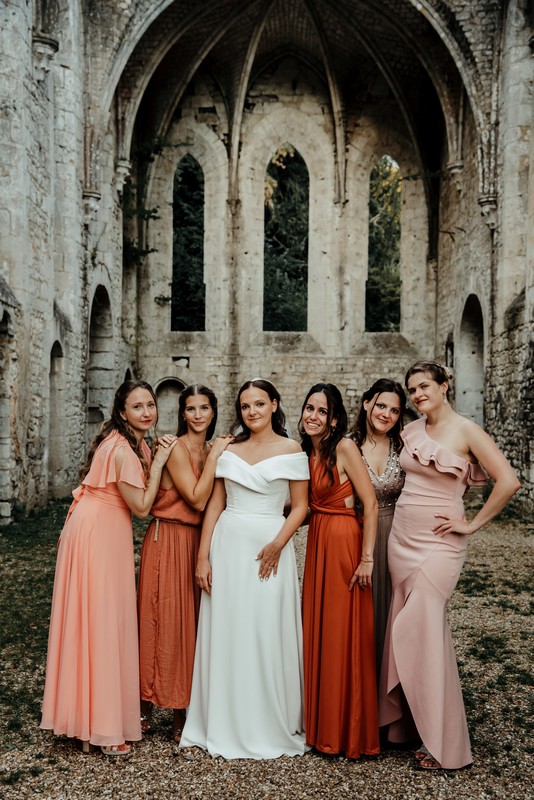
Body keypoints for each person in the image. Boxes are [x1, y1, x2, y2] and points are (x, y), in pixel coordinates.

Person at [379, 361, 520, 771]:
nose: (418, 393)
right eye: (412, 389)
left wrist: (471, 524)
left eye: (425, 385)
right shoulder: (412, 430)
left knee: (422, 633)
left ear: (444, 385)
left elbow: (508, 480)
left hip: (440, 545)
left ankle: (447, 744)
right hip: (401, 541)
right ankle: (404, 729)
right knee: (402, 627)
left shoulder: (467, 430)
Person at [40, 380, 177, 756]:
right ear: (122, 413)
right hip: (98, 533)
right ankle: (100, 727)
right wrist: (163, 460)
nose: (147, 412)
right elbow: (143, 507)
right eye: (138, 407)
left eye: (150, 405)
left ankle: (90, 717)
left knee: (98, 620)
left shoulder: (132, 442)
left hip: (100, 529)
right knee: (101, 622)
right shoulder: (121, 451)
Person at [180, 378, 310, 759]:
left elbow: (301, 506)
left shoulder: (292, 448)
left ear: (273, 404)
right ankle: (223, 717)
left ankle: (269, 719)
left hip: (271, 545)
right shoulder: (230, 449)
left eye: (259, 404)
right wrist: (203, 555)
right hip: (229, 546)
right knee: (229, 629)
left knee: (265, 628)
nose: (251, 412)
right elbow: (215, 505)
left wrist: (277, 543)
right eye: (245, 406)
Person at [137, 384, 232, 742]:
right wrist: (215, 458)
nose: (197, 415)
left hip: (197, 541)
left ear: (212, 412)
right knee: (159, 620)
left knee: (191, 625)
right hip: (168, 537)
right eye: (190, 409)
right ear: (182, 413)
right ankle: (146, 704)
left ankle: (184, 705)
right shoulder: (176, 447)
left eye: (203, 408)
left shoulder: (213, 448)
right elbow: (195, 498)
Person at [300, 382, 380, 759]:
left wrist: (367, 559)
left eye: (322, 411)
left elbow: (370, 504)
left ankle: (345, 730)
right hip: (318, 540)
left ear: (333, 420)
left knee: (341, 631)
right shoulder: (307, 451)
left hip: (345, 543)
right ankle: (319, 727)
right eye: (309, 409)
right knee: (318, 629)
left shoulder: (345, 447)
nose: (313, 416)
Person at [350, 378, 406, 679]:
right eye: (381, 405)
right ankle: (363, 690)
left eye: (394, 411)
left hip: (399, 535)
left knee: (394, 613)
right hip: (357, 533)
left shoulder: (405, 447)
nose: (386, 414)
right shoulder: (347, 445)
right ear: (367, 403)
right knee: (362, 612)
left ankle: (392, 688)